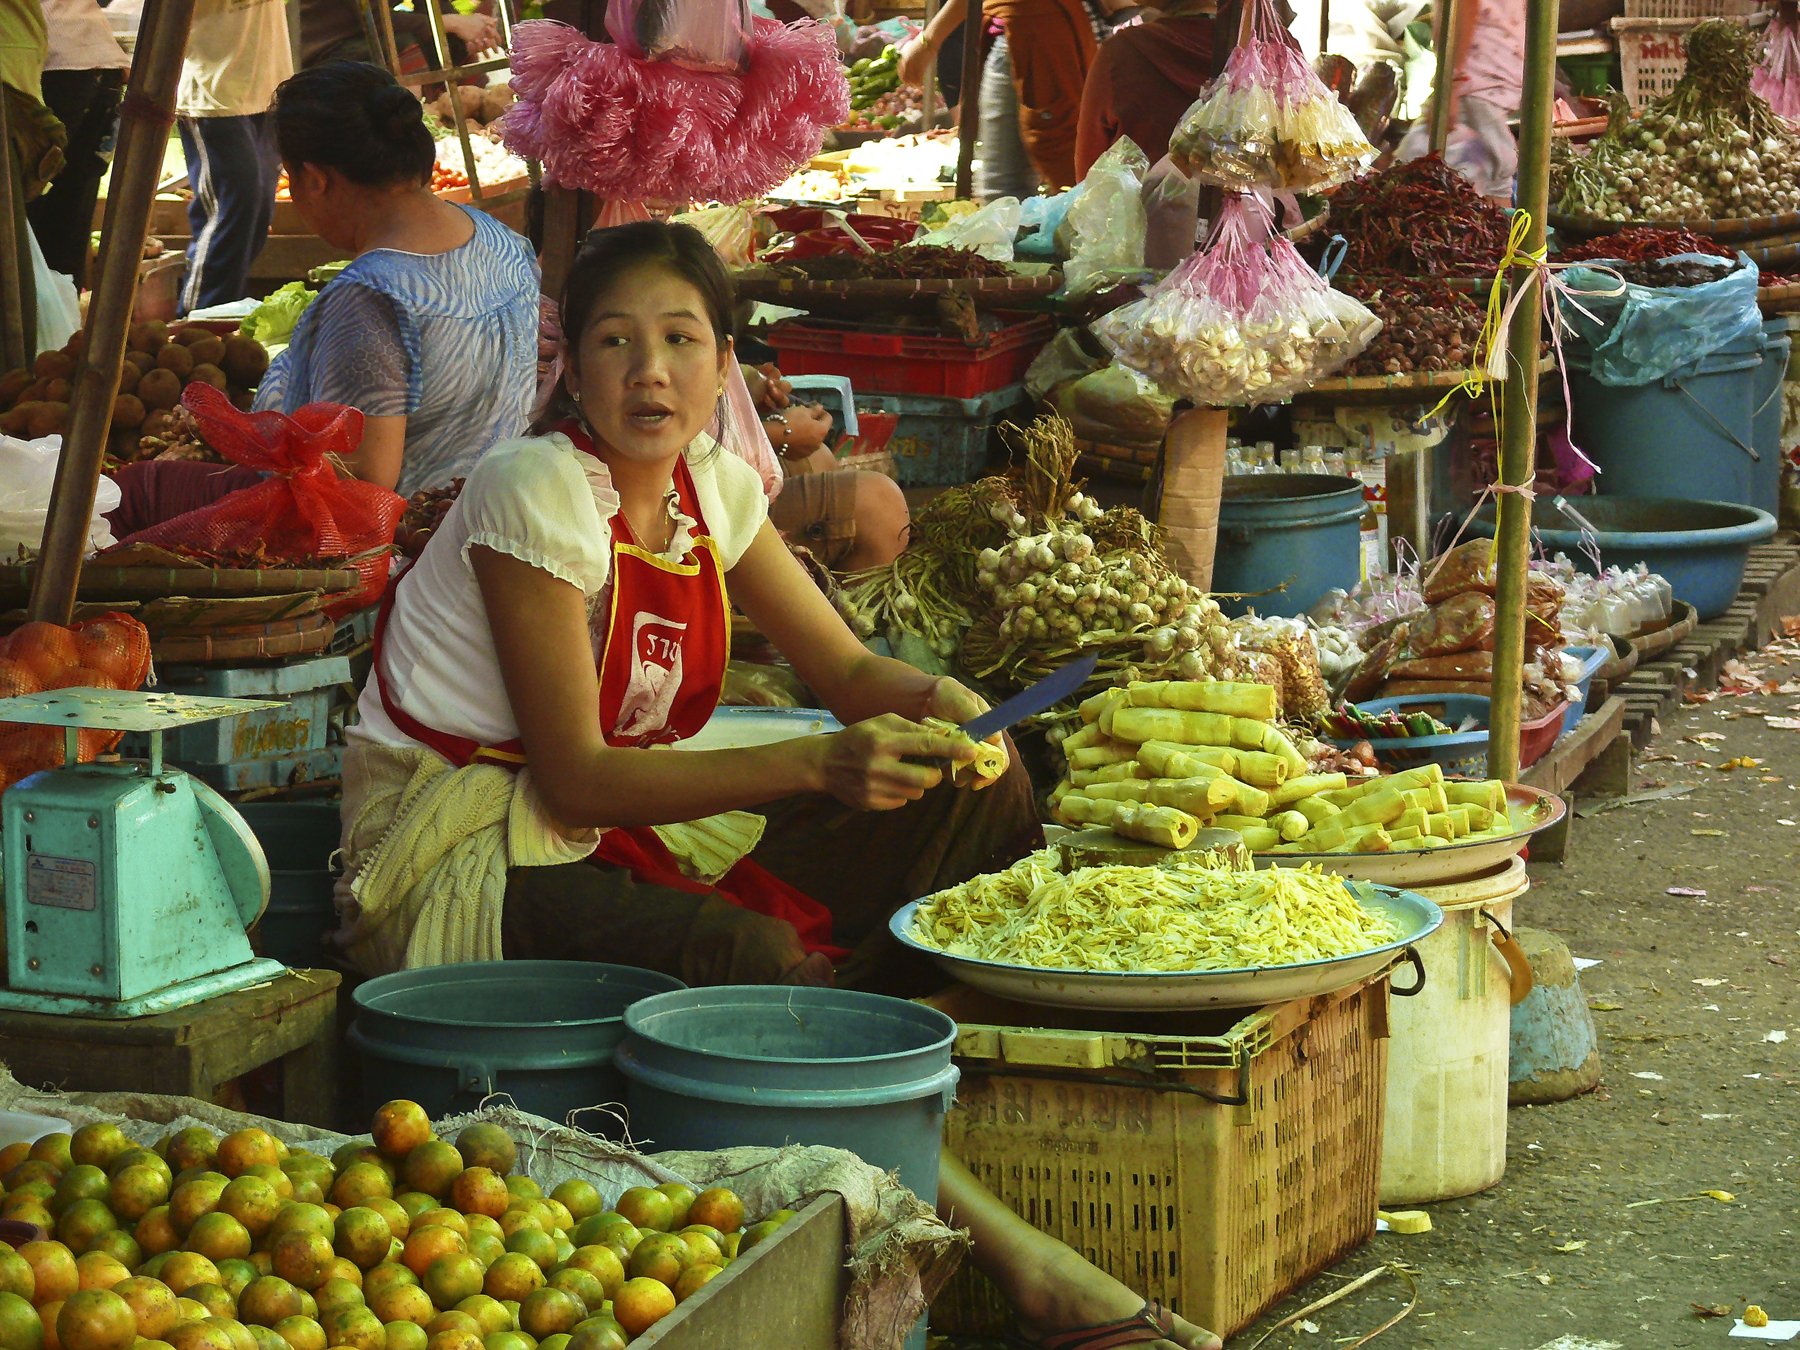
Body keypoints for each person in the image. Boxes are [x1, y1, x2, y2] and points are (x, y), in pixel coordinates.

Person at [332, 218, 1037, 991]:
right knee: (753, 957)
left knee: (980, 789)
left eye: (680, 339)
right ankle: (848, 1028)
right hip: (465, 840)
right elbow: (575, 782)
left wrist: (938, 698)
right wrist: (818, 762)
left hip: (605, 823)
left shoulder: (714, 485)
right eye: (613, 343)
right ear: (571, 371)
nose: (650, 372)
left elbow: (847, 674)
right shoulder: (533, 487)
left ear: (725, 361)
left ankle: (914, 1023)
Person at [107, 61, 539, 536]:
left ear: (315, 179)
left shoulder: (371, 296)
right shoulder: (502, 241)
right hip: (493, 522)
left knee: (128, 501)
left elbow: (353, 488)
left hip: (405, 562)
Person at [899, 0, 1099, 191]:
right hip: (1043, 30)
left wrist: (929, 41)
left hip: (1028, 33)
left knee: (1006, 185)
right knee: (1031, 179)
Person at [28, 0, 128, 290]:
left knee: (28, 209)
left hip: (50, 64)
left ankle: (35, 325)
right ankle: (62, 326)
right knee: (71, 213)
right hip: (99, 62)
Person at [1395, 0, 1524, 199]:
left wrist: (1450, 85)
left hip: (1474, 79)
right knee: (1494, 179)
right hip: (1496, 73)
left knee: (1414, 176)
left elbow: (1462, 8)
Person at [1074, 0, 1215, 178]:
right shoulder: (1253, 45)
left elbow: (1088, 178)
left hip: (1147, 204)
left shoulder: (1122, 54)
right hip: (1250, 204)